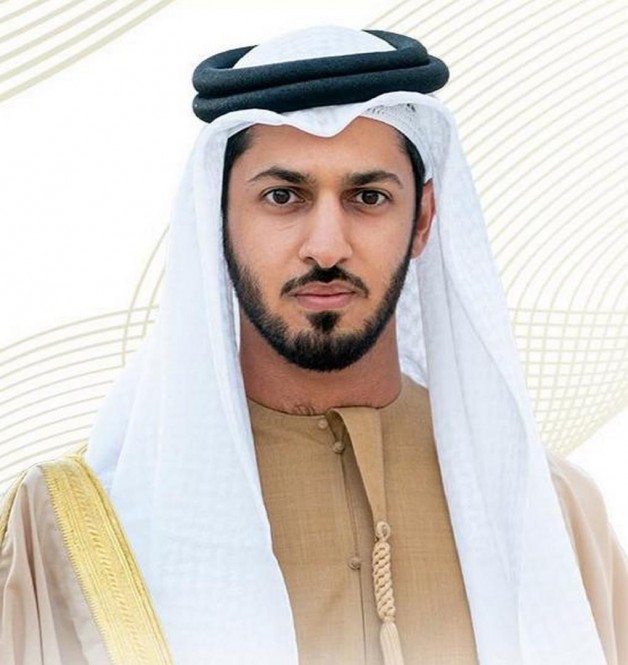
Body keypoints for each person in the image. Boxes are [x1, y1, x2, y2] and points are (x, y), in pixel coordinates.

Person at [0, 24, 626, 665]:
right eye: (283, 197)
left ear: (423, 220)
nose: (327, 247)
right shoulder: (75, 526)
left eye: (368, 197)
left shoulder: (552, 508)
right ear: (217, 218)